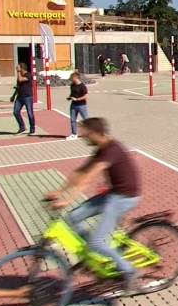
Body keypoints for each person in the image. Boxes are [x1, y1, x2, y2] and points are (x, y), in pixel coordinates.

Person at [45, 118, 141, 296]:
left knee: (97, 241)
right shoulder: (101, 149)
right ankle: (93, 254)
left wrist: (67, 200)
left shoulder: (111, 151)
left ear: (97, 133)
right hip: (113, 194)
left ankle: (129, 271)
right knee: (73, 217)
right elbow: (80, 173)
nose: (83, 137)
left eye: (86, 134)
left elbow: (88, 178)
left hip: (125, 197)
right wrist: (59, 192)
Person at [10, 63, 35, 135]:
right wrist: (13, 96)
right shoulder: (19, 76)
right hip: (19, 97)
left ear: (22, 68)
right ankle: (22, 127)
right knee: (16, 112)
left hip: (28, 97)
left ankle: (32, 129)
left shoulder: (28, 75)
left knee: (30, 113)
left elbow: (21, 80)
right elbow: (18, 86)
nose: (16, 70)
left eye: (18, 68)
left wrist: (18, 72)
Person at [66, 72, 89, 140]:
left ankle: (90, 133)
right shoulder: (72, 85)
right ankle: (74, 134)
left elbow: (85, 96)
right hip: (73, 105)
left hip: (82, 105)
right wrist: (70, 97)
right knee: (73, 119)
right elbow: (72, 93)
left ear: (76, 78)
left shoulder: (82, 86)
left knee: (86, 120)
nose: (72, 81)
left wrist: (77, 99)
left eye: (73, 79)